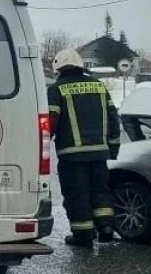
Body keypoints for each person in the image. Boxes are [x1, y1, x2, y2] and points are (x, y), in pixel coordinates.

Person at [48, 49, 122, 248]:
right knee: (100, 190)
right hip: (99, 153)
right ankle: (106, 226)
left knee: (77, 194)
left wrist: (42, 140)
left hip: (71, 156)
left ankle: (83, 235)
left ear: (59, 68)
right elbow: (113, 118)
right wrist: (113, 148)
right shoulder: (98, 86)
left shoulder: (56, 89)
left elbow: (51, 120)